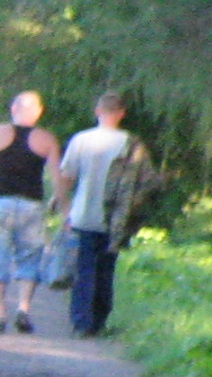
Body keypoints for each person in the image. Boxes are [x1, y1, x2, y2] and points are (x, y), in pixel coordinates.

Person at [60, 91, 150, 338]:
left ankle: (82, 322)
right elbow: (146, 181)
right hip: (117, 218)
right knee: (106, 270)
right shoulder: (133, 144)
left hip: (84, 214)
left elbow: (67, 175)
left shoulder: (81, 140)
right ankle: (99, 321)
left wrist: (63, 207)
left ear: (97, 111)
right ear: (121, 114)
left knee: (84, 269)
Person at [0, 91, 62, 334]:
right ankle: (23, 309)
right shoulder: (46, 139)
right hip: (31, 206)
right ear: (38, 112)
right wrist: (63, 205)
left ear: (13, 109)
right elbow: (57, 177)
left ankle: (1, 312)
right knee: (30, 258)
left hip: (1, 203)